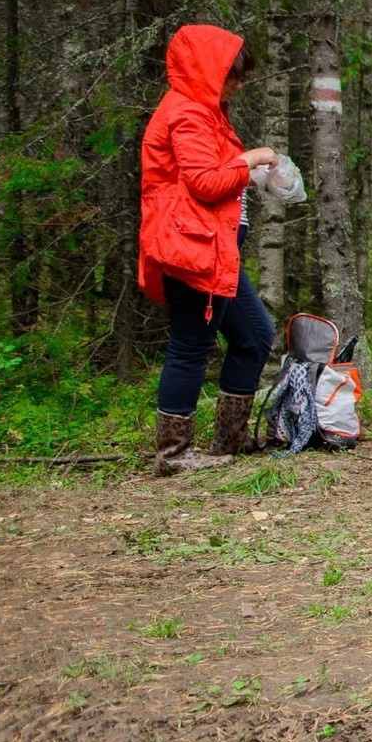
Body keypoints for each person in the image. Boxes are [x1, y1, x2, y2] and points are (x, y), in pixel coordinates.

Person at [138, 25, 281, 468]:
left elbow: (211, 172)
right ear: (208, 70)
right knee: (190, 346)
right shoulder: (188, 113)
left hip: (216, 247)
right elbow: (204, 183)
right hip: (191, 247)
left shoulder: (206, 110)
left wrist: (243, 170)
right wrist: (250, 159)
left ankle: (230, 440)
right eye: (232, 76)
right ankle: (174, 453)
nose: (237, 86)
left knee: (255, 336)